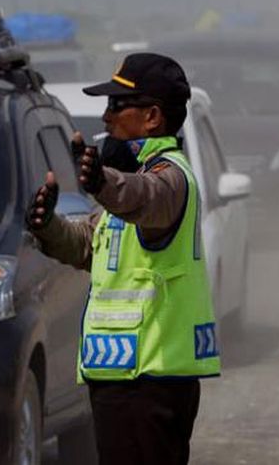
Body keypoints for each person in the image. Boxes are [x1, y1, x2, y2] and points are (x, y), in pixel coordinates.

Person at [26, 53, 220, 465]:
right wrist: (47, 227)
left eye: (117, 106)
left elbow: (144, 199)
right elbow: (86, 246)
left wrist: (101, 181)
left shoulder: (170, 179)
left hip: (151, 381)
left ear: (152, 117)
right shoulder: (129, 184)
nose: (106, 116)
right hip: (122, 378)